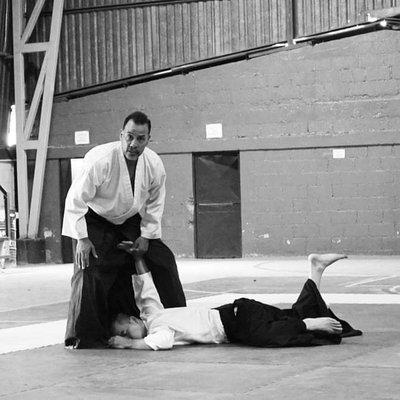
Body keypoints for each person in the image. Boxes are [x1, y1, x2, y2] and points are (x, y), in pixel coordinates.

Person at [62, 111, 186, 349]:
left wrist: (147, 235)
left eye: (140, 139)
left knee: (163, 260)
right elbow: (75, 200)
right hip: (94, 218)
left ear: (148, 139)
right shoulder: (101, 160)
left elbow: (155, 202)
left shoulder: (153, 164)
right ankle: (85, 335)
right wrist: (83, 238)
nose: (133, 144)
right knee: (89, 268)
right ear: (121, 135)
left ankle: (176, 322)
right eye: (129, 137)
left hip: (130, 219)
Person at [109, 244, 362, 350]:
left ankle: (311, 321)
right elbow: (146, 288)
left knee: (271, 336)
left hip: (235, 321)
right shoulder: (151, 314)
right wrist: (137, 258)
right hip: (238, 313)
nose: (123, 337)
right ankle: (316, 270)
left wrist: (129, 345)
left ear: (133, 320)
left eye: (123, 331)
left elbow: (161, 342)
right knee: (291, 317)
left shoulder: (157, 325)